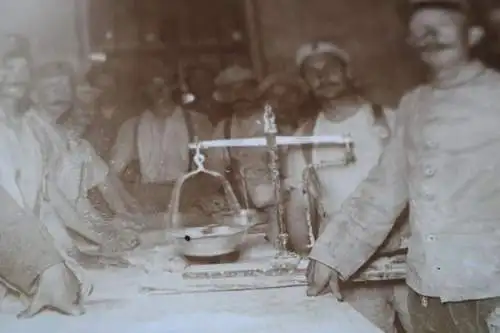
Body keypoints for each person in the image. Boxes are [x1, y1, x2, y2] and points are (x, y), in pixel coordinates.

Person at [307, 1, 500, 332]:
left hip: (489, 288)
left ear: (474, 34)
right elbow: (383, 189)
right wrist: (331, 255)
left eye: (439, 27)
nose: (427, 38)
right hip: (428, 290)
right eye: (418, 33)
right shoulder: (414, 105)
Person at [283, 41, 410, 333]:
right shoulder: (304, 138)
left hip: (407, 262)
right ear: (304, 82)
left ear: (348, 71)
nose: (322, 76)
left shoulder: (391, 121)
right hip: (350, 269)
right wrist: (309, 259)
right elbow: (298, 210)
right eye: (311, 72)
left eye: (331, 67)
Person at [0, 36, 87, 317]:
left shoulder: (31, 129)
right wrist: (47, 263)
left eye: (21, 70)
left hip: (33, 254)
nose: (14, 76)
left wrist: (71, 247)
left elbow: (45, 198)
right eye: (5, 68)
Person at [110, 76, 215, 219]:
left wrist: (200, 201)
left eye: (164, 84)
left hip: (188, 197)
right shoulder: (131, 126)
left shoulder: (197, 121)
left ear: (173, 86)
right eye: (152, 85)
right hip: (146, 200)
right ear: (144, 90)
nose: (158, 90)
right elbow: (114, 170)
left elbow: (215, 168)